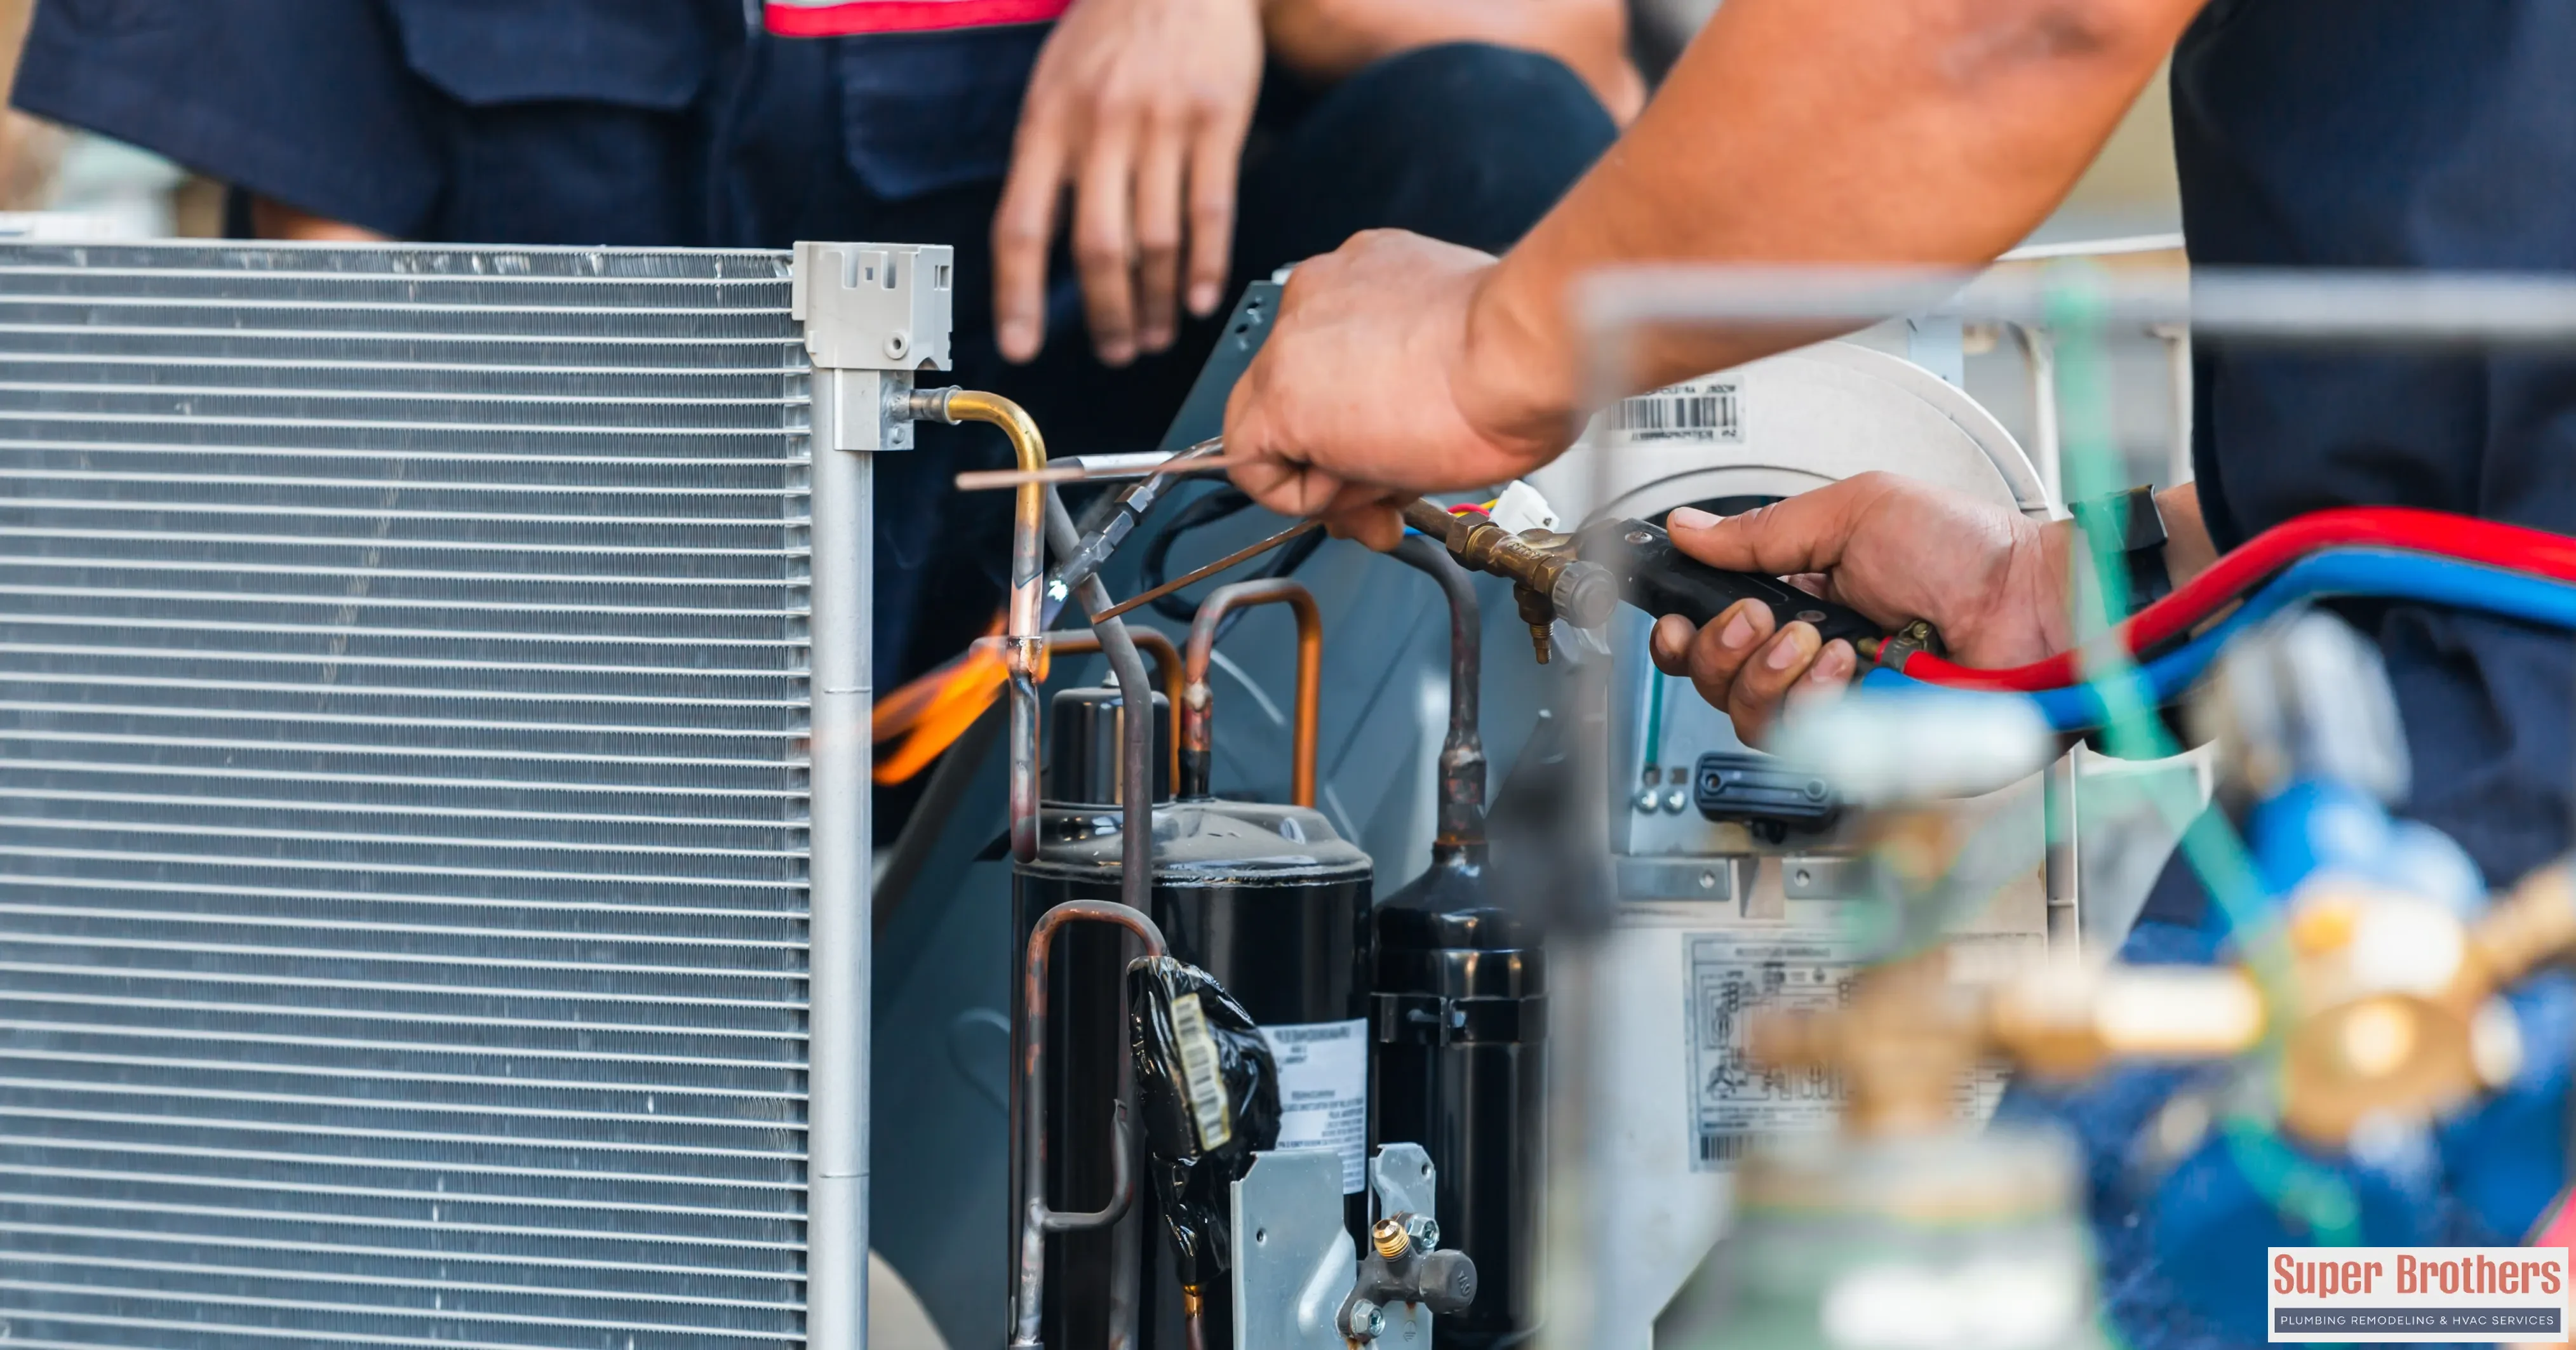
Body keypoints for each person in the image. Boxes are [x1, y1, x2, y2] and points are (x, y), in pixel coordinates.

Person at [1220, 1, 2576, 1343]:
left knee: (2095, 1283)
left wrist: (1478, 353)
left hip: (2502, 830)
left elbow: (2021, 22)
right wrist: (2065, 585)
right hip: (2460, 731)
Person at [11, 0, 1633, 686]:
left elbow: (1568, 78)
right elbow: (331, 356)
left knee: (1488, 132)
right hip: (581, 705)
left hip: (1128, 679)